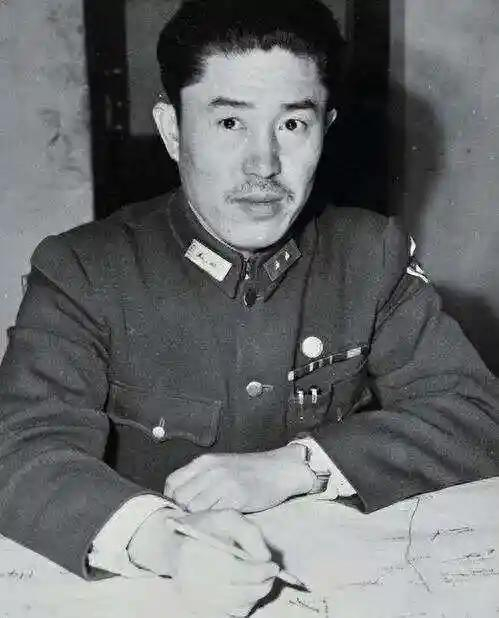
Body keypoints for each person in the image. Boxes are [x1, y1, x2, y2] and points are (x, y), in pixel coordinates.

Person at [1, 0, 498, 616]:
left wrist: (299, 466)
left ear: (325, 129)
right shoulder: (83, 270)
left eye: (292, 124)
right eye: (230, 122)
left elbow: (476, 414)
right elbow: (21, 449)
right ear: (173, 130)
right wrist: (167, 542)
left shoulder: (370, 255)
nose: (263, 165)